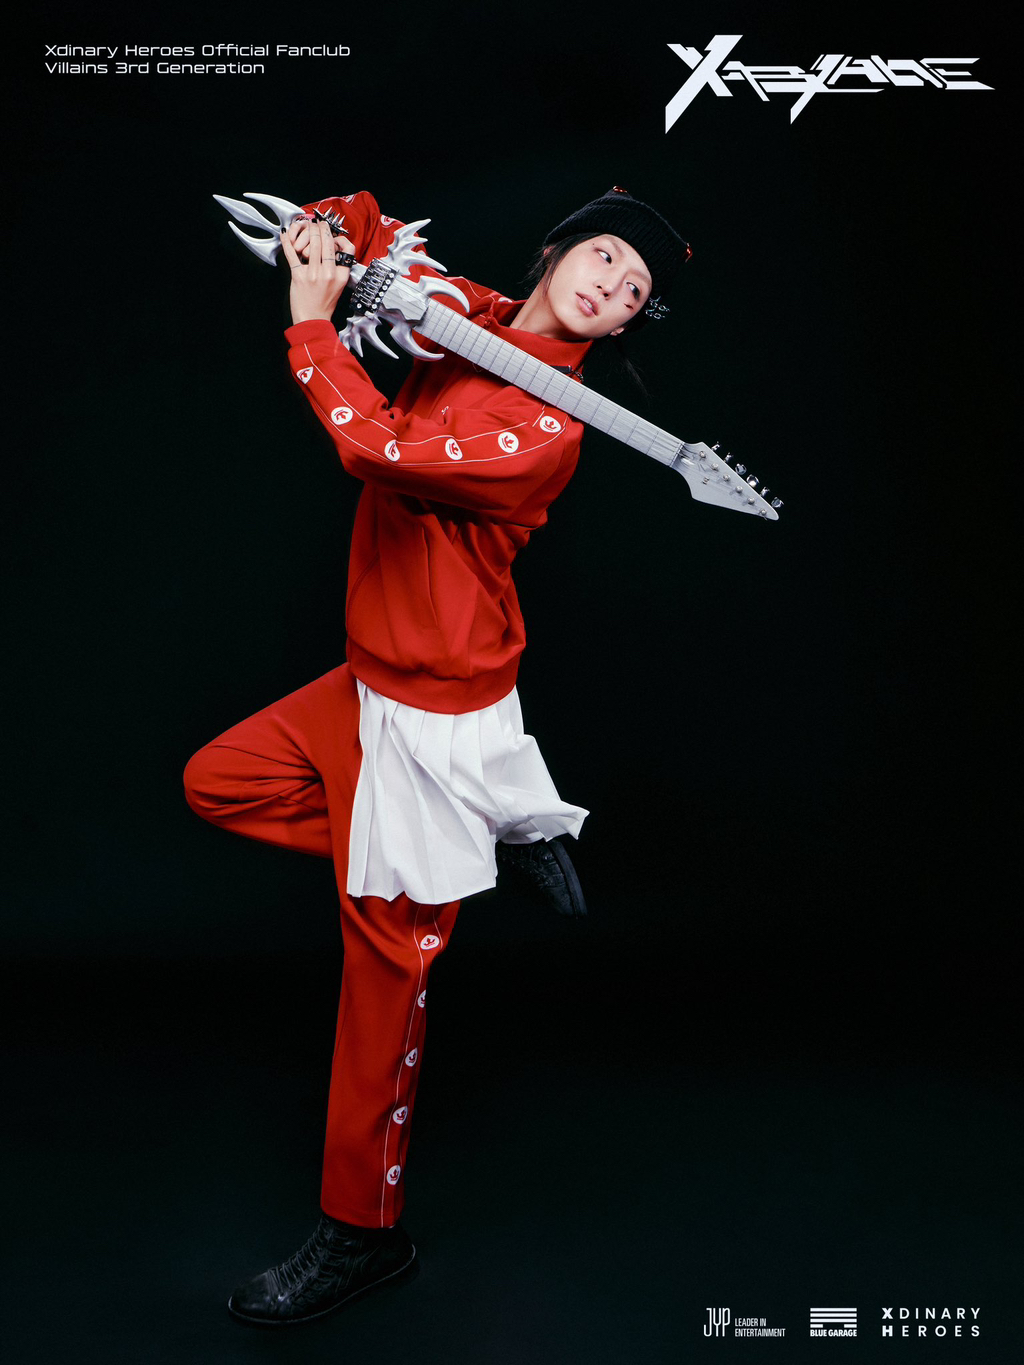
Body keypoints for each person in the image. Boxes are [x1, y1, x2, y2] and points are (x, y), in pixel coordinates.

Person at [184, 185, 690, 1325]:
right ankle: (456, 851)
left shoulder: (549, 429)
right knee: (216, 782)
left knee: (382, 996)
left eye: (636, 290)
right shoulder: (463, 309)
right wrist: (326, 234)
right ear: (558, 248)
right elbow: (366, 228)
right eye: (607, 255)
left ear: (627, 323)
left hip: (434, 716)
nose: (614, 284)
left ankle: (360, 1234)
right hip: (363, 681)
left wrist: (309, 322)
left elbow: (377, 447)